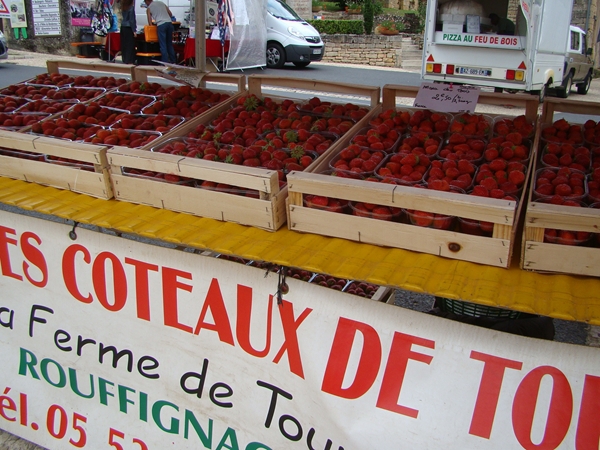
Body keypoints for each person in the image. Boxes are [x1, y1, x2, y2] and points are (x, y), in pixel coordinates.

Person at [120, 0, 136, 64]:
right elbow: (132, 20)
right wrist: (134, 30)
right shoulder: (131, 8)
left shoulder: (124, 7)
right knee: (130, 44)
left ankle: (125, 59)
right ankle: (129, 59)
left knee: (124, 44)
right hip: (129, 27)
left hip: (123, 26)